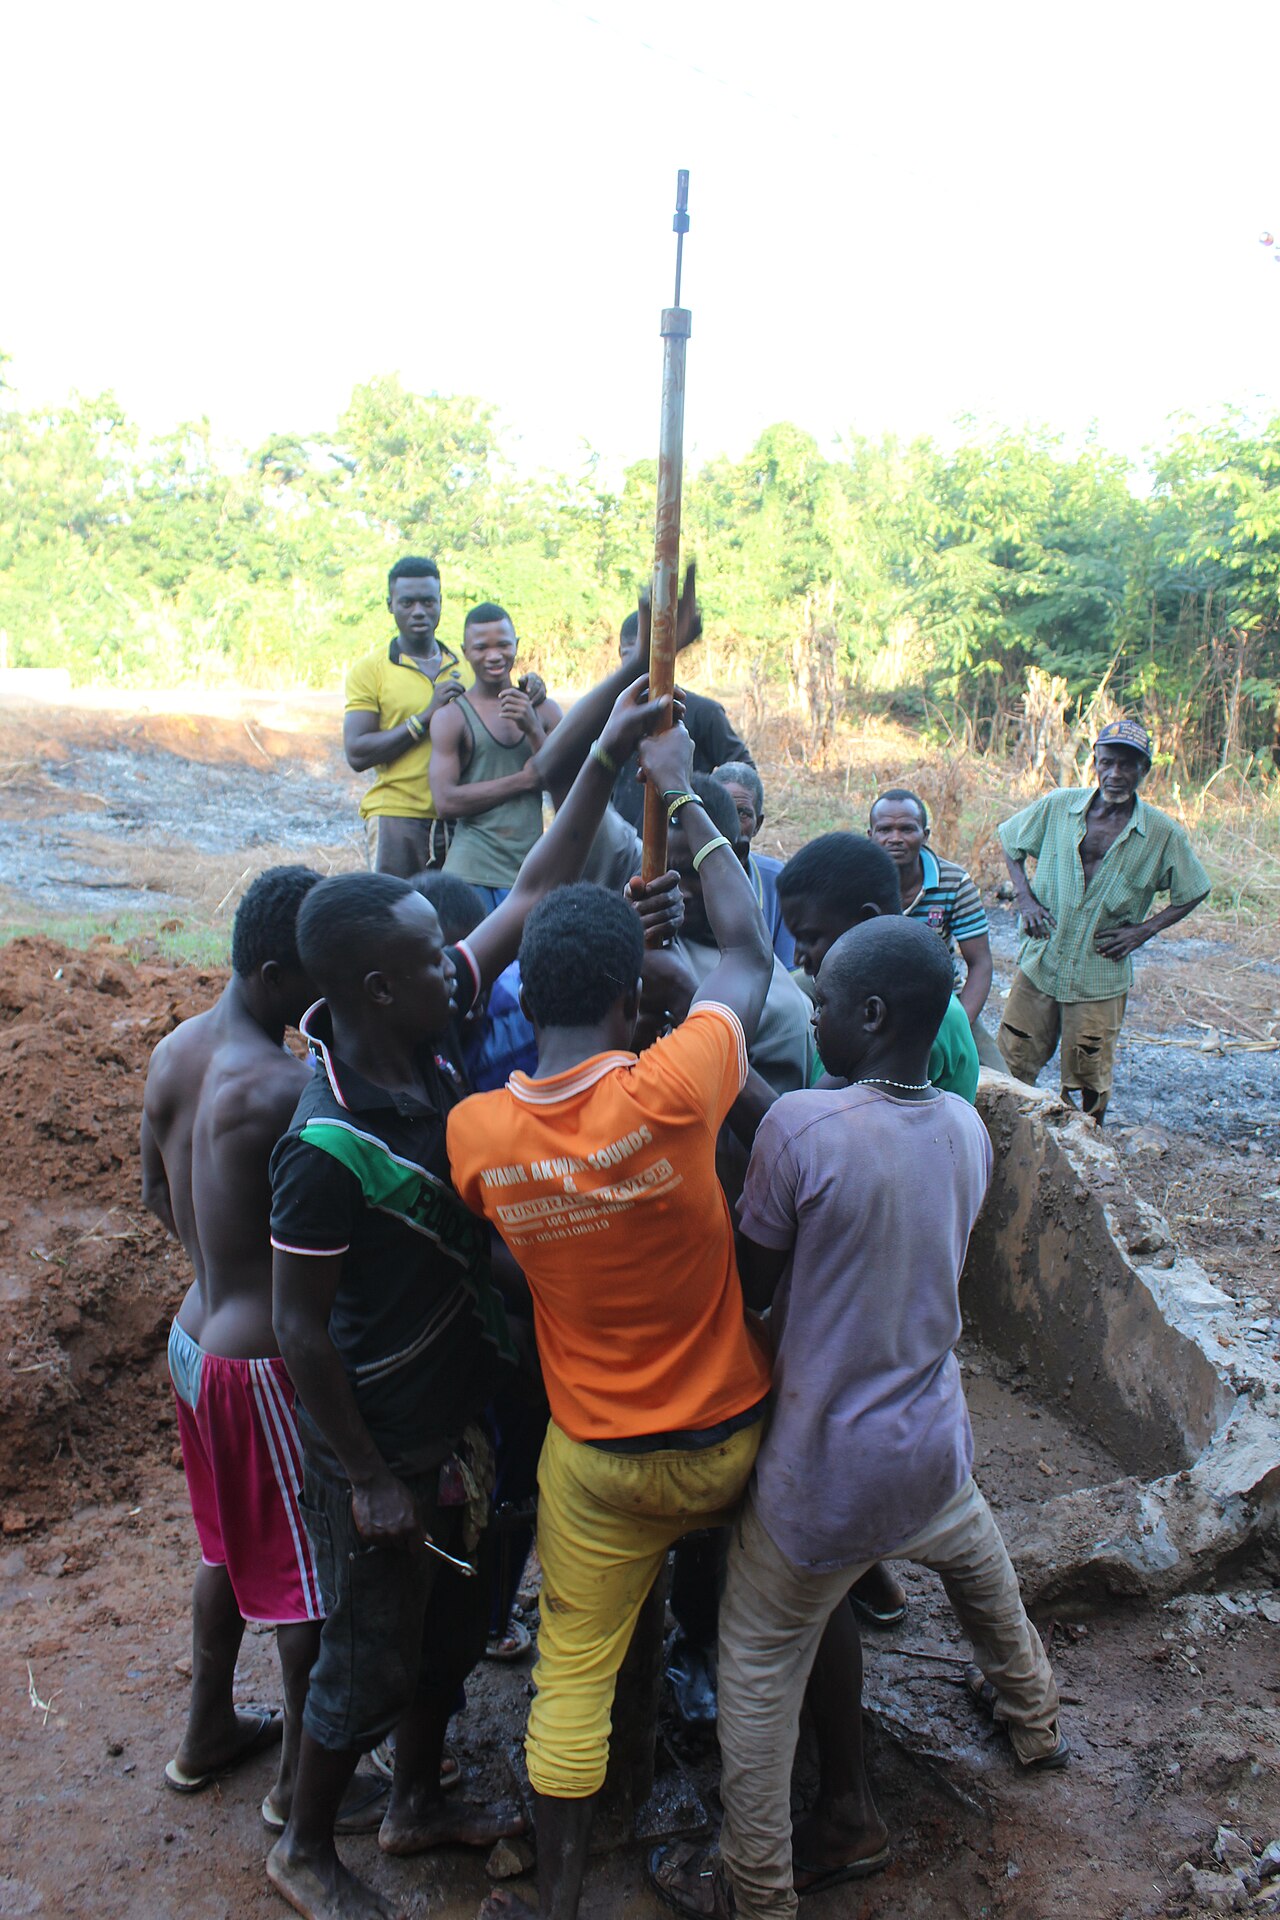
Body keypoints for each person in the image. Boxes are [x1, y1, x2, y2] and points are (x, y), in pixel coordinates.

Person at [264, 673, 682, 1920]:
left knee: (453, 1627)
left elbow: (532, 891)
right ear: (371, 990)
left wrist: (602, 751)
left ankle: (414, 1799)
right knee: (370, 1653)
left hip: (454, 1412)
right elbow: (296, 1329)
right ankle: (304, 1844)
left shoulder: (423, 1032)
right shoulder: (323, 1142)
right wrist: (370, 1474)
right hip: (382, 1436)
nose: (465, 969)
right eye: (429, 964)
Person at [653, 919, 1068, 1920]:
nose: (816, 1011)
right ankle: (1033, 1720)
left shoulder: (800, 1134)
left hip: (820, 1480)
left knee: (753, 1663)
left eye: (827, 1001)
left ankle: (758, 1882)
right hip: (931, 1450)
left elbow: (757, 1273)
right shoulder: (964, 1126)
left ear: (869, 1015)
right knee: (979, 1577)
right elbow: (813, 1123)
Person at [447, 721, 776, 1920]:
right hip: (730, 1444)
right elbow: (746, 944)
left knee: (569, 1688)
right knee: (754, 1646)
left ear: (526, 992)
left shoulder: (478, 1135)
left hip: (597, 1462)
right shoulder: (682, 1085)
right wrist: (686, 804)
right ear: (640, 995)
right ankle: (763, 1853)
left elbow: (494, 1250)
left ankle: (563, 1898)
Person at [141, 866, 336, 1830]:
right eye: (319, 974)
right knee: (303, 1581)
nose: (331, 990)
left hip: (192, 1336)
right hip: (257, 1364)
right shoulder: (284, 1086)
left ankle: (205, 1733)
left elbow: (152, 1192)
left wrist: (218, 1269)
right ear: (271, 972)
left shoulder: (176, 1052)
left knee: (224, 1547)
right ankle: (301, 1790)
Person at [997, 719, 1211, 1124]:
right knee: (1011, 1058)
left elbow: (1195, 888)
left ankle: (1086, 1158)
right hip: (1042, 960)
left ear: (1144, 771)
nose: (1116, 775)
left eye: (1128, 766)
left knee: (1087, 1078)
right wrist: (1025, 899)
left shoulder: (1162, 834)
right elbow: (1011, 842)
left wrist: (1143, 930)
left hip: (1099, 971)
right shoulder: (1059, 806)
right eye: (1108, 763)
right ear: (1094, 762)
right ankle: (997, 1142)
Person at [777, 831, 980, 1103]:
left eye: (810, 938)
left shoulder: (906, 1013)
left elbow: (802, 1122)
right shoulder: (866, 992)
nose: (799, 957)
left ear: (866, 921)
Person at [432, 604, 563, 912]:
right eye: (481, 647)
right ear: (465, 651)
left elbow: (567, 788)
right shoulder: (451, 717)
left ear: (517, 644)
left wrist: (532, 729)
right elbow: (445, 802)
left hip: (530, 870)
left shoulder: (546, 712)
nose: (493, 655)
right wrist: (524, 780)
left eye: (503, 645)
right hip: (470, 872)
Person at [343, 558, 467, 877]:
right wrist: (424, 717)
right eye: (407, 603)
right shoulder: (371, 670)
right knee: (393, 921)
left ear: (440, 603)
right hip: (396, 818)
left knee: (460, 923)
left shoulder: (466, 665)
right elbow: (357, 753)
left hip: (461, 819)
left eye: (428, 601)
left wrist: (531, 689)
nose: (419, 611)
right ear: (390, 605)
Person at [868, 787, 999, 1066]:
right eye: (885, 830)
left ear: (925, 835)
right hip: (869, 1004)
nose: (895, 839)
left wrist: (958, 1024)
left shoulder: (954, 882)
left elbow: (980, 963)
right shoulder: (856, 882)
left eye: (907, 829)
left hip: (940, 1004)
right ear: (870, 836)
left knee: (1000, 1081)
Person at [608, 608, 753, 831]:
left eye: (650, 659)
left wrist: (709, 804)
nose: (643, 668)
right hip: (624, 847)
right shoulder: (611, 715)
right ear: (620, 653)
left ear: (668, 657)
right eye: (635, 659)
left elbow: (742, 771)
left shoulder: (703, 712)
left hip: (684, 846)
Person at [714, 760, 795, 967]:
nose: (730, 824)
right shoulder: (677, 875)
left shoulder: (777, 880)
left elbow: (789, 972)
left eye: (743, 814)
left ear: (757, 825)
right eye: (721, 810)